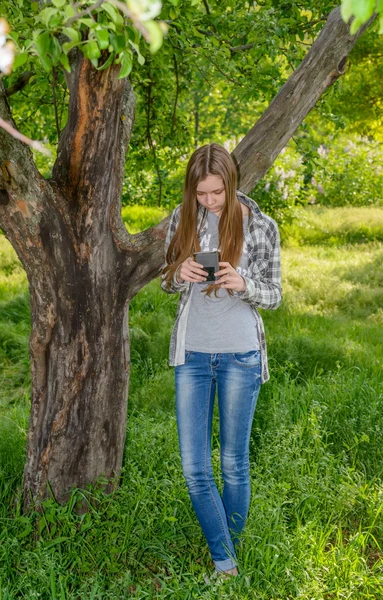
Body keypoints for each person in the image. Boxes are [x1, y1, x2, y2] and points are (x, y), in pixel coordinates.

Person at [160, 142, 282, 579]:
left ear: (231, 183)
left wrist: (243, 282)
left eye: (216, 192)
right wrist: (179, 273)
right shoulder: (184, 218)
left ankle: (227, 562)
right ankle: (226, 559)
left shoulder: (262, 226)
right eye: (200, 193)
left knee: (233, 463)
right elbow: (166, 282)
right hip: (192, 354)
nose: (209, 201)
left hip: (240, 355)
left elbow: (275, 294)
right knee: (195, 467)